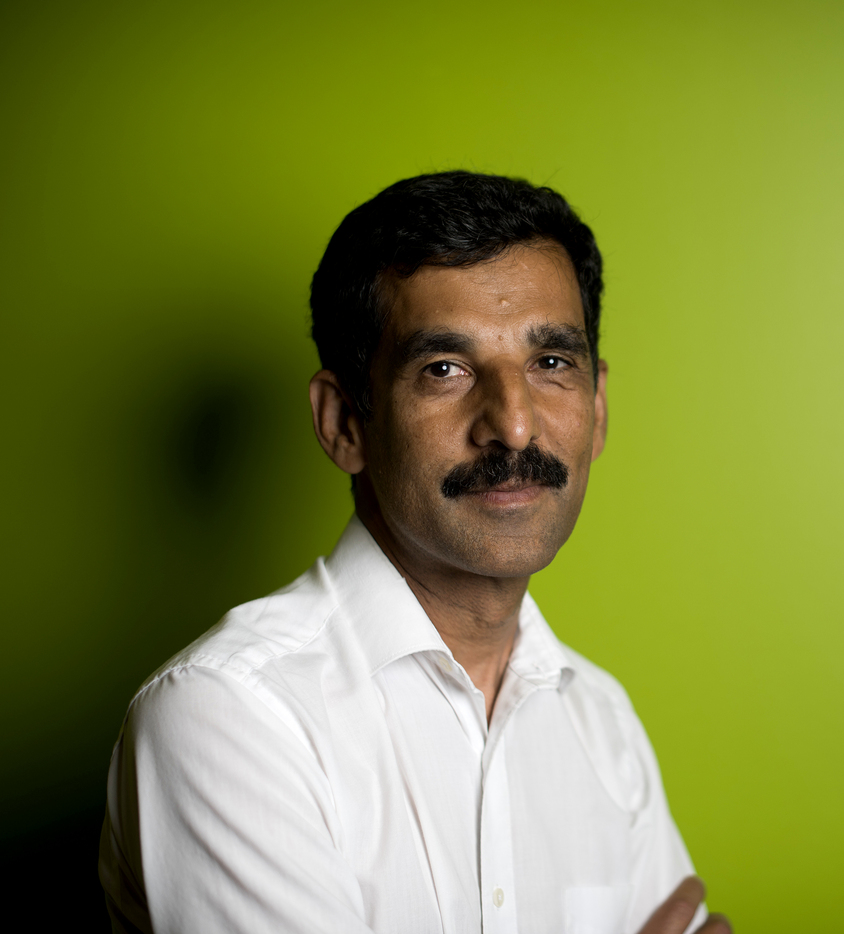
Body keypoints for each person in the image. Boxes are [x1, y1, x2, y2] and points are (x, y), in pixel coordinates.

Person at [98, 172, 729, 934]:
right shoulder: (229, 714)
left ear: (597, 409)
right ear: (343, 424)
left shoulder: (601, 721)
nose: (515, 426)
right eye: (445, 370)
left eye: (551, 363)